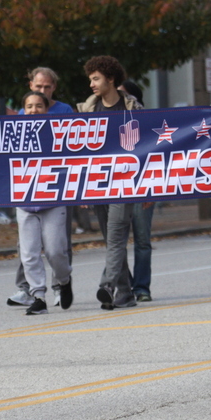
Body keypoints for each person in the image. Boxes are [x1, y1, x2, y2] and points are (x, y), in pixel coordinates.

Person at [7, 67, 74, 308]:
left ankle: (64, 282)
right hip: (25, 198)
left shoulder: (62, 118)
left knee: (56, 250)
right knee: (29, 253)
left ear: (49, 108)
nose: (35, 109)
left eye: (40, 105)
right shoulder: (15, 127)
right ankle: (38, 295)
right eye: (30, 106)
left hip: (54, 197)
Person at [78, 56, 141, 310]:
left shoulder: (132, 108)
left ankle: (107, 285)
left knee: (115, 236)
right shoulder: (86, 111)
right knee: (110, 239)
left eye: (96, 78)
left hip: (125, 183)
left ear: (111, 79)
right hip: (97, 183)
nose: (92, 84)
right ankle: (125, 293)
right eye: (90, 79)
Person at [120, 80, 154, 302]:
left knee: (142, 240)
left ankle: (142, 287)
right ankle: (124, 285)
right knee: (117, 242)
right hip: (118, 189)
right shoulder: (107, 120)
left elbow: (155, 158)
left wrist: (150, 190)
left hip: (142, 187)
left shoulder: (147, 124)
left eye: (124, 95)